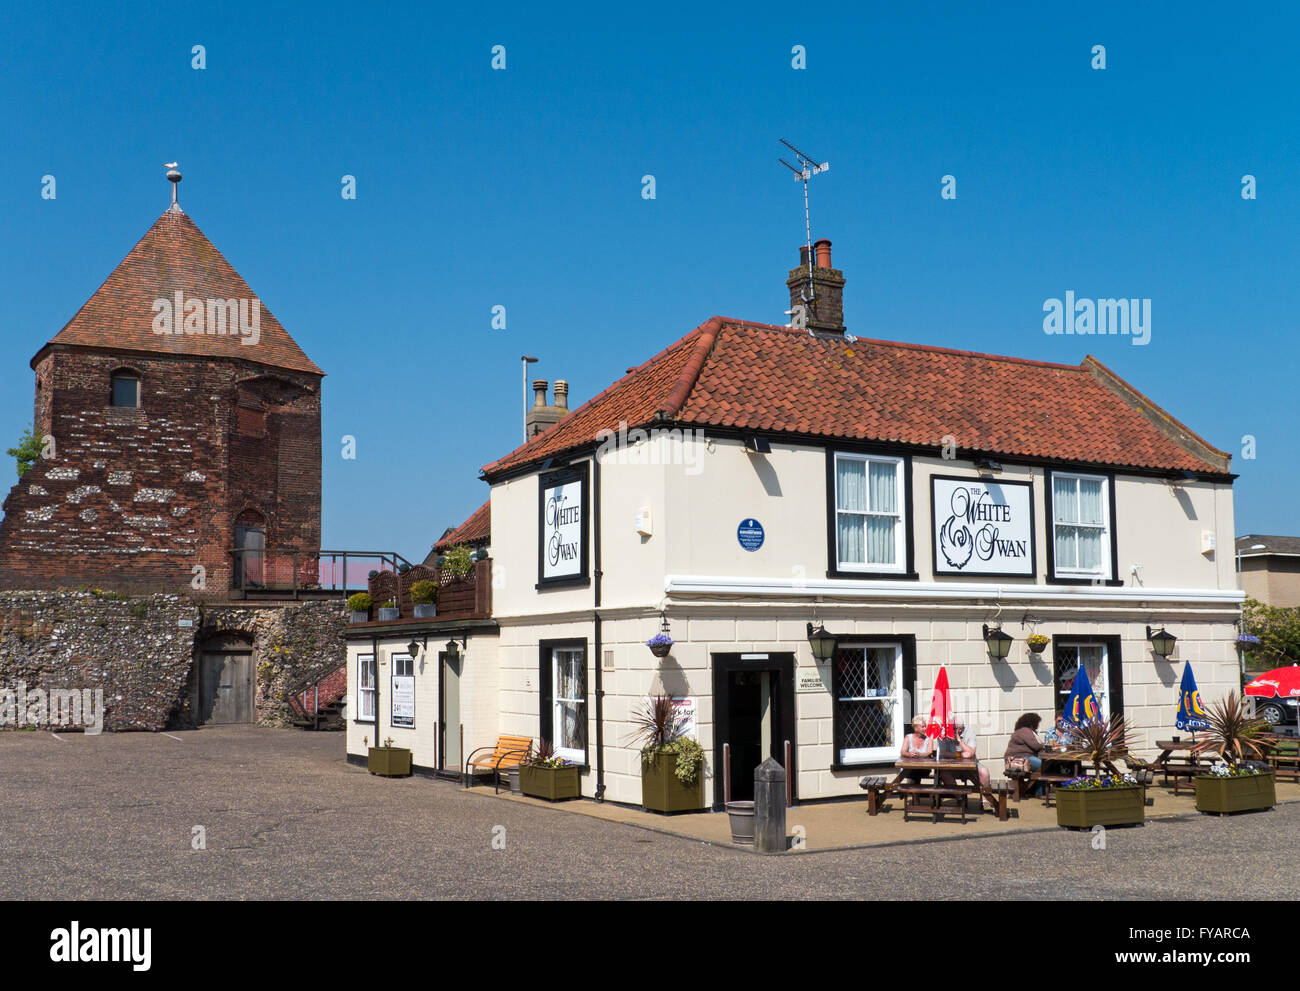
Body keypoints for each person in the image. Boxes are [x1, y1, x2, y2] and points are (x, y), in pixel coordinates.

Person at [1005, 712, 1047, 795]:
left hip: (1021, 757)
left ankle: (1034, 790)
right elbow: (1035, 746)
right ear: (1032, 723)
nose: (1038, 725)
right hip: (1019, 759)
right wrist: (1045, 745)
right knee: (1043, 765)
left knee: (1043, 766)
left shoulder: (1022, 731)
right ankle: (1039, 793)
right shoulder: (1025, 731)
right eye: (1037, 723)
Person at [899, 715, 932, 782]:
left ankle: (912, 791)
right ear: (915, 728)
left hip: (924, 768)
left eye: (925, 726)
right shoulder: (908, 737)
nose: (925, 728)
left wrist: (920, 754)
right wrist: (909, 754)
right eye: (923, 727)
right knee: (912, 771)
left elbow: (929, 752)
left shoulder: (928, 739)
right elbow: (902, 752)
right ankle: (916, 791)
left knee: (913, 773)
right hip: (910, 767)